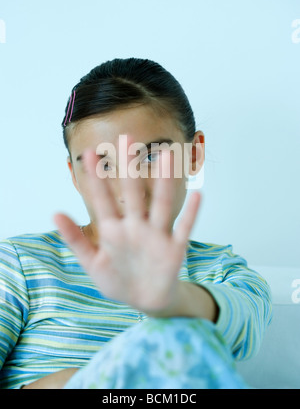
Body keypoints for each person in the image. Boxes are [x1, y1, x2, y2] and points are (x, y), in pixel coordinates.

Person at [0, 58, 272, 389]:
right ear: (75, 175)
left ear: (194, 154)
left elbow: (246, 323)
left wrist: (174, 299)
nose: (131, 187)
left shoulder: (220, 270)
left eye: (152, 156)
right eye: (103, 165)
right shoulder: (19, 267)